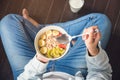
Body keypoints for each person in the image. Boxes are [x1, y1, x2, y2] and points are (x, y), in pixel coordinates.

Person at [0, 8, 112, 80]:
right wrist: (93, 50)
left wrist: (40, 59)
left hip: (29, 71)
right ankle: (62, 38)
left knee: (9, 21)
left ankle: (41, 29)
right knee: (100, 21)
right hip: (73, 70)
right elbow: (101, 73)